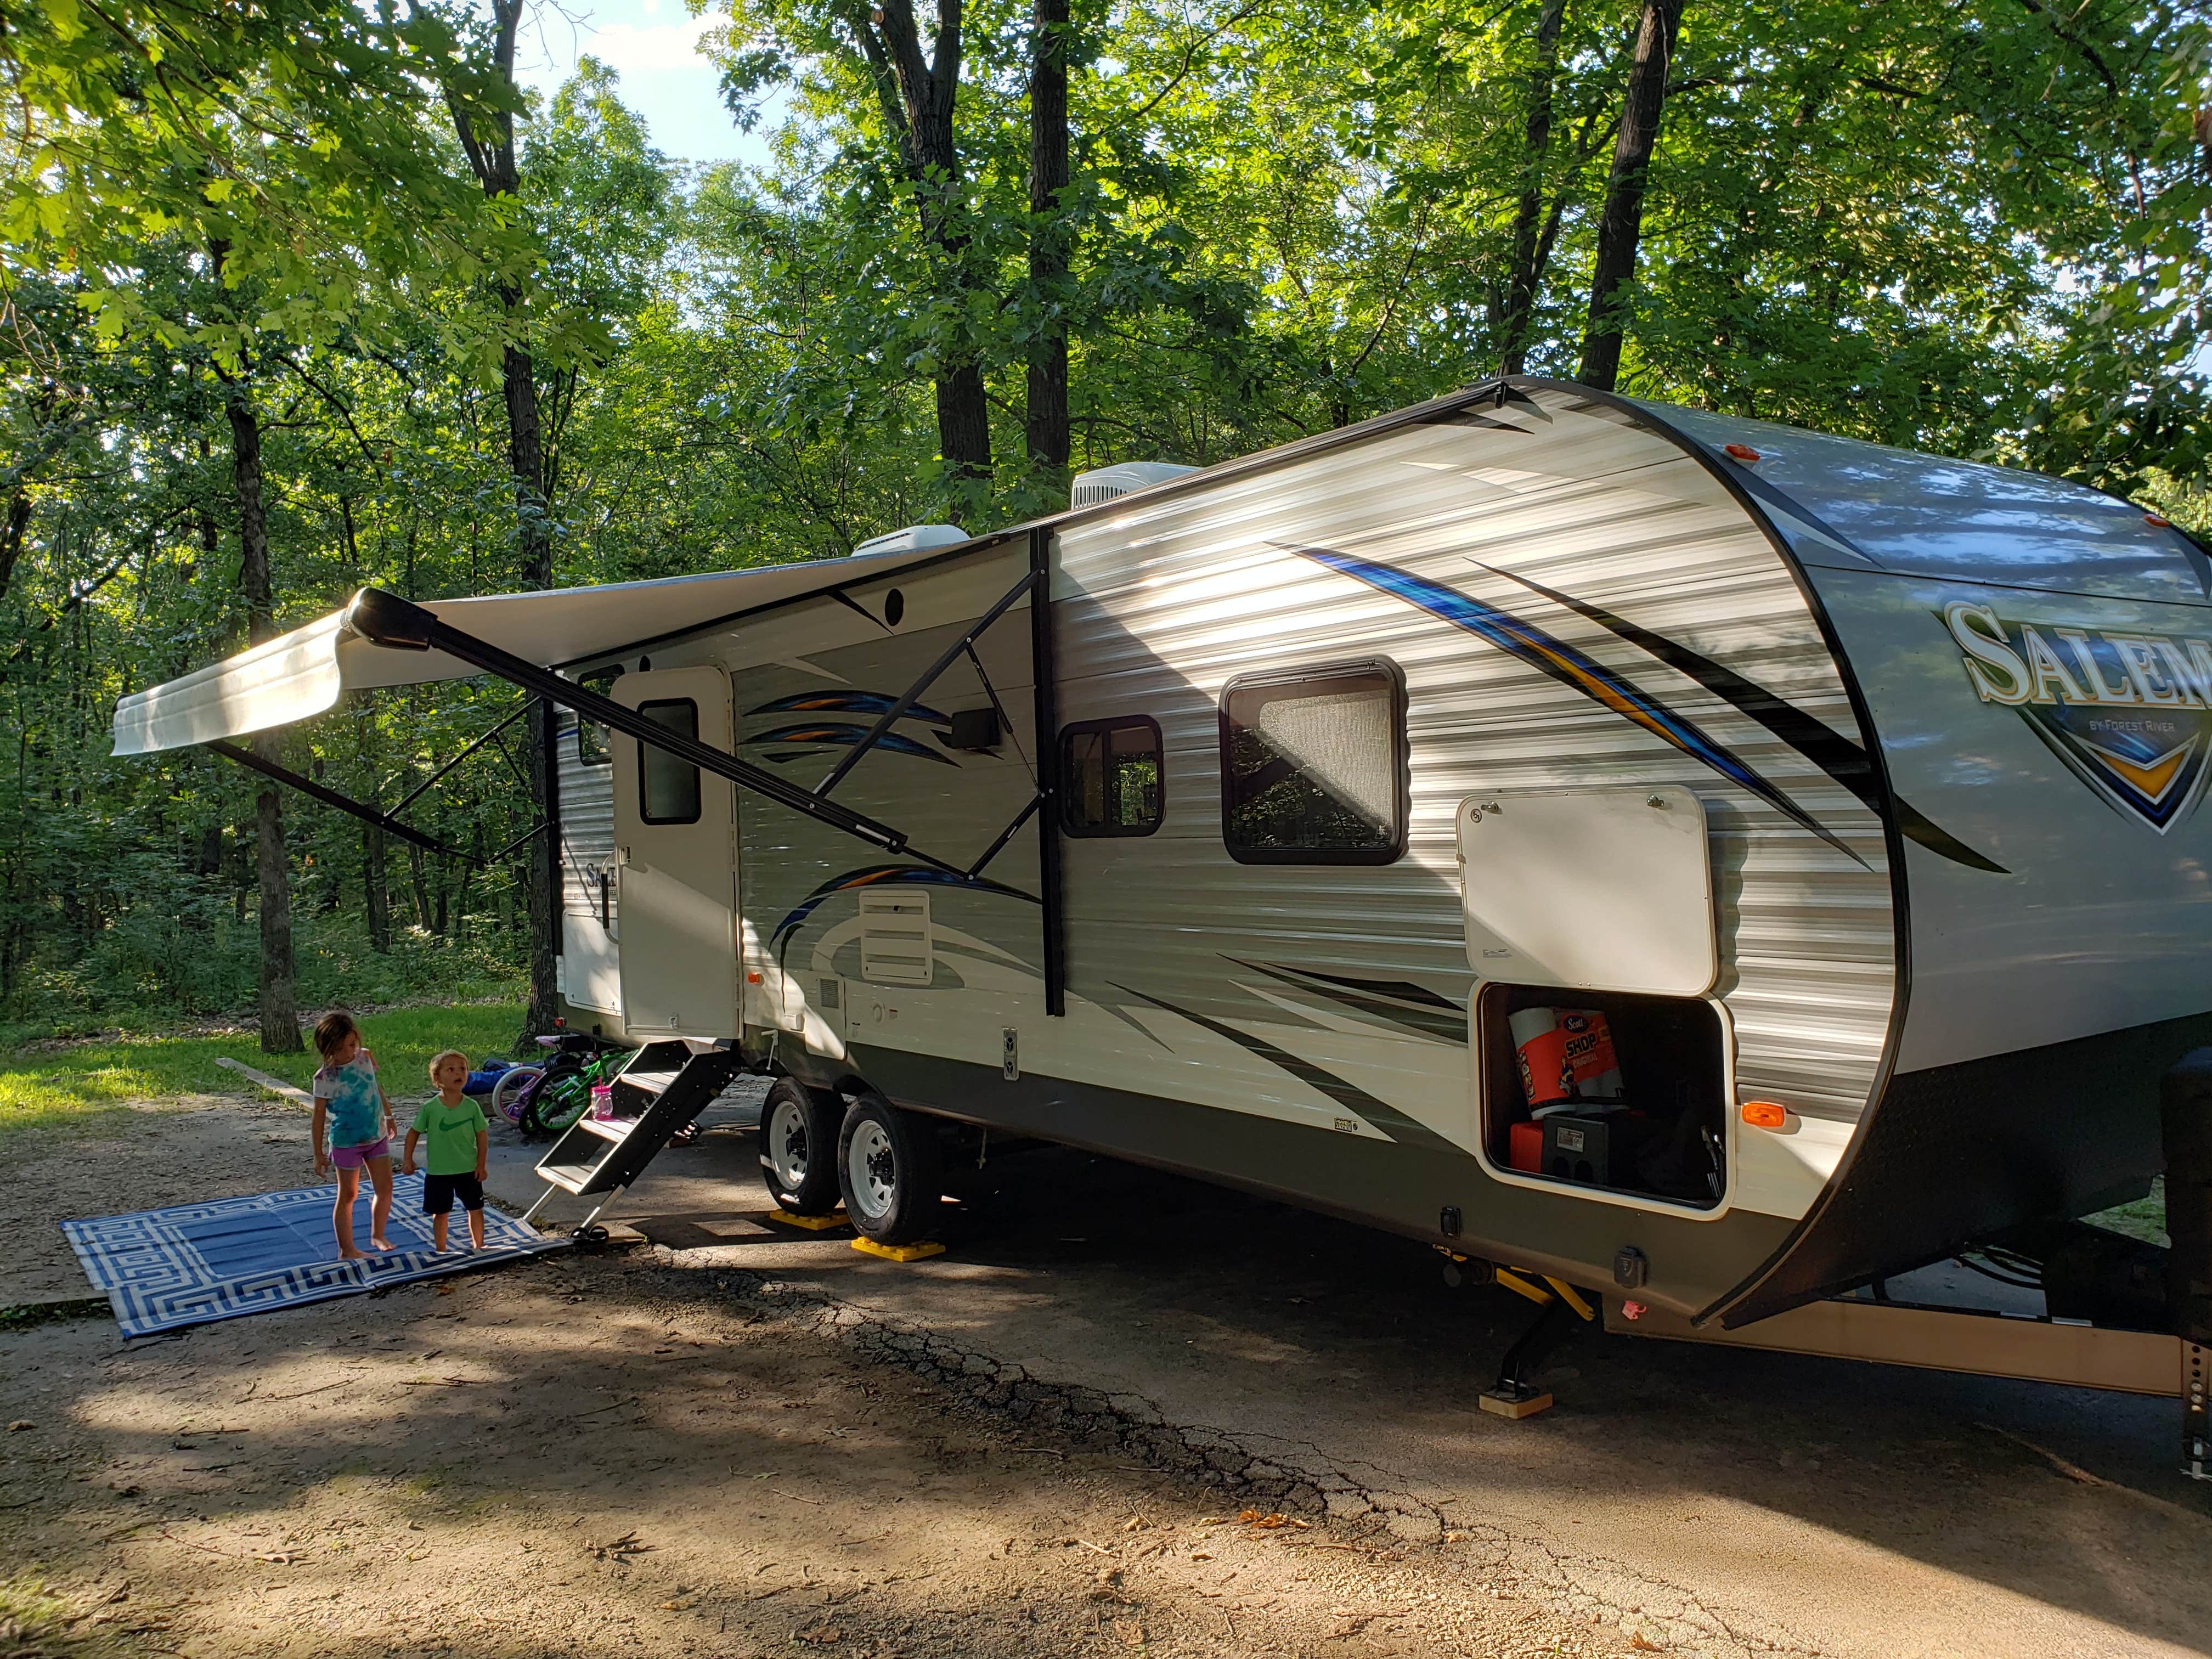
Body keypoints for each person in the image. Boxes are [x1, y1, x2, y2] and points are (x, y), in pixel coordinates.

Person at [310, 1011, 398, 1259]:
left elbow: (375, 1086)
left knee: (385, 1188)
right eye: (339, 1048)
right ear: (326, 1048)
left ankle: (377, 1234)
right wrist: (318, 1154)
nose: (347, 1052)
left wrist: (388, 1116)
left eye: (351, 1045)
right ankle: (347, 1250)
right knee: (348, 1195)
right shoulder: (325, 1077)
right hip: (347, 1143)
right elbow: (318, 1118)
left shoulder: (364, 1058)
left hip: (376, 1135)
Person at [403, 1050, 490, 1252]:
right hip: (438, 1172)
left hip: (468, 1169)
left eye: (462, 1069)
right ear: (437, 1079)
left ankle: (479, 1245)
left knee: (476, 1209)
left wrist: (481, 1164)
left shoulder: (472, 1107)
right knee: (440, 1213)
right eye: (450, 1070)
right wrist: (408, 1159)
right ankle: (441, 1249)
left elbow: (482, 1135)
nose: (458, 1073)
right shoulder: (430, 1108)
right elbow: (413, 1133)